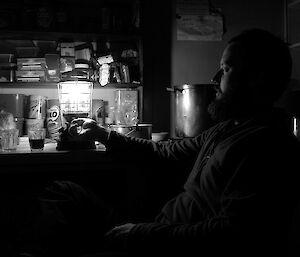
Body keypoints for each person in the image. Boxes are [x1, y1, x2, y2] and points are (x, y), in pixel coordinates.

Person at [15, 28, 300, 257]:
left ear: (256, 78)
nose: (215, 79)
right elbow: (164, 151)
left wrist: (141, 235)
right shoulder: (226, 130)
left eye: (225, 69)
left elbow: (234, 234)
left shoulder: (267, 146)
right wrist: (102, 134)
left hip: (165, 248)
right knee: (64, 192)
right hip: (154, 228)